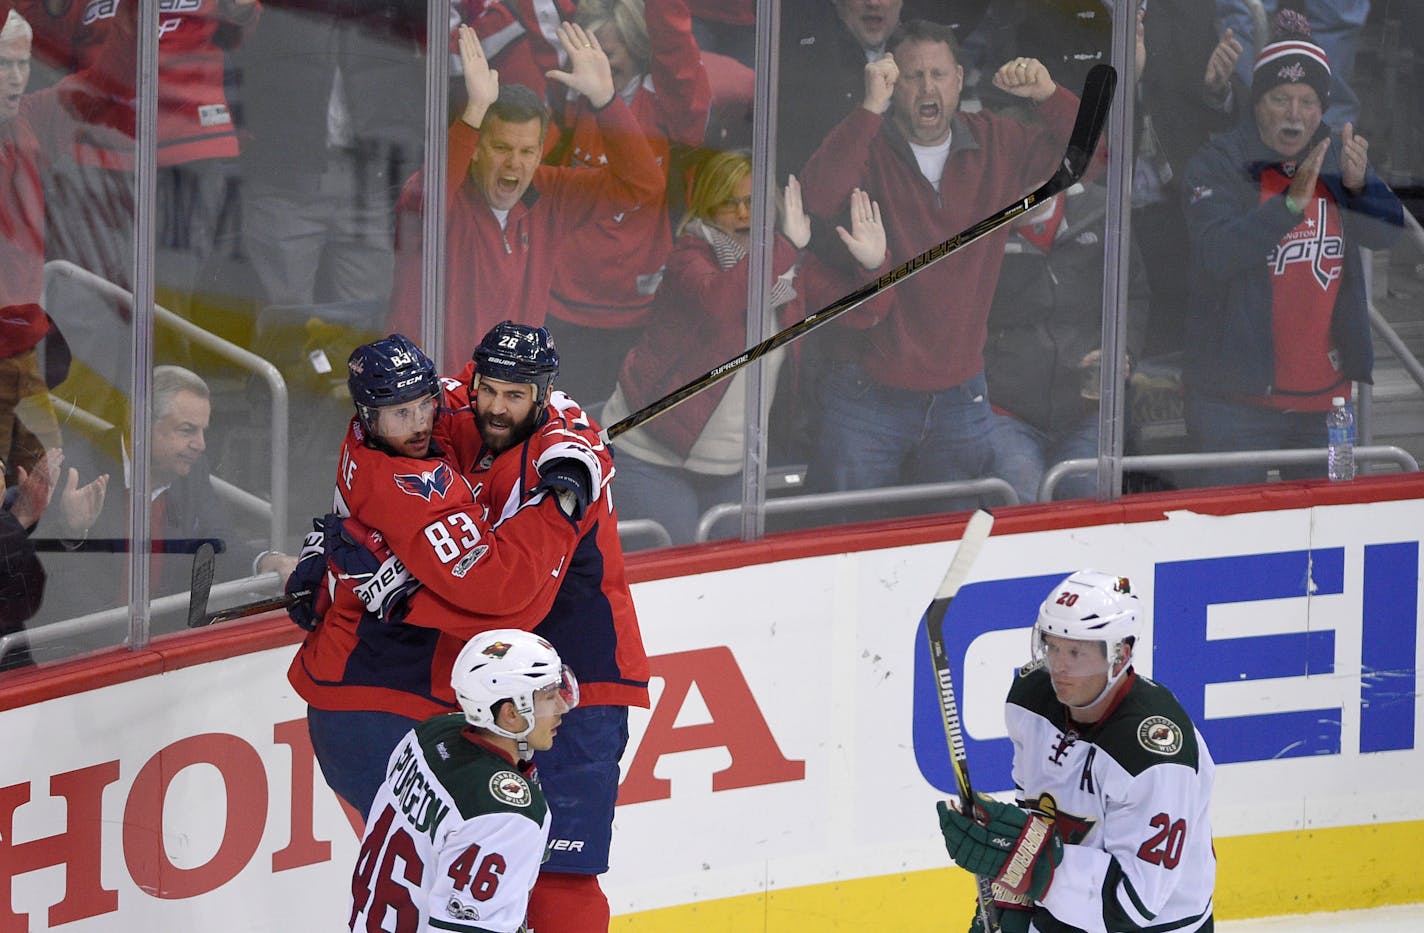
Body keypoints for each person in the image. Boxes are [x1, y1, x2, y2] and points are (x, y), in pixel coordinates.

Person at [284, 333, 595, 821]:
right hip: (375, 701)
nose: (419, 424)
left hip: (368, 692)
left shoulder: (382, 434)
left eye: (424, 406)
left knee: (418, 865)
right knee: (425, 870)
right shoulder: (406, 486)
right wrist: (563, 502)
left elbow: (480, 389)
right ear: (368, 415)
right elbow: (508, 593)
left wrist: (568, 426)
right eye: (399, 414)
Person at [797, 19, 1086, 500]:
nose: (927, 88)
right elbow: (816, 198)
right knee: (842, 547)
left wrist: (1048, 94)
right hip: (868, 394)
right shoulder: (868, 140)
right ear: (891, 81)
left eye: (938, 74)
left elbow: (1092, 155)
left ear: (959, 80)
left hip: (961, 396)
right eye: (912, 76)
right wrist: (869, 108)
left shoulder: (998, 140)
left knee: (949, 551)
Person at [604, 151, 888, 544]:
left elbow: (863, 313)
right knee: (681, 574)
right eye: (728, 202)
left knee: (727, 581)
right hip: (652, 457)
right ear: (706, 206)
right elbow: (723, 300)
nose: (742, 214)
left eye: (752, 202)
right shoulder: (691, 256)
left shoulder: (789, 270)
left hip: (732, 470)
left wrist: (874, 266)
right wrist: (785, 245)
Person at [1180, 9, 1403, 487]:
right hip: (1234, 405)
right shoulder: (1217, 163)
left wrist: (1362, 187)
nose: (1295, 114)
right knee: (1230, 549)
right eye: (1281, 98)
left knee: (1323, 548)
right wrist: (1288, 207)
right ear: (1257, 100)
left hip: (1325, 404)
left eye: (1307, 101)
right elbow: (1214, 254)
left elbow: (1388, 235)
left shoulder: (1335, 155)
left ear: (1322, 108)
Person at [937, 570, 1216, 933]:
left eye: (1076, 652)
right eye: (1052, 647)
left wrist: (1030, 864)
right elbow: (1037, 811)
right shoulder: (1030, 700)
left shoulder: (1155, 756)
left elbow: (1134, 905)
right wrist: (1013, 889)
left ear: (1120, 655)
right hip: (1067, 909)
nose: (1060, 667)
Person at [388, 22, 661, 375]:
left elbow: (642, 186)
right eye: (501, 147)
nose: (515, 163)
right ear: (474, 148)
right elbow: (421, 202)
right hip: (431, 398)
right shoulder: (447, 194)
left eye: (527, 151)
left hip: (507, 399)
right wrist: (474, 111)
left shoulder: (549, 193)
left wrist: (606, 103)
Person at [349, 629, 578, 933]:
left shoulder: (429, 735)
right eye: (549, 698)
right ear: (510, 714)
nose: (561, 708)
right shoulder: (503, 812)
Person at [542, 0, 712, 404]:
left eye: (611, 60)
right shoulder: (571, 93)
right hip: (560, 302)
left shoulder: (670, 104)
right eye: (591, 56)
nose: (598, 71)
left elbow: (676, 49)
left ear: (638, 47)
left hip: (635, 308)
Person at [35, 365, 287, 634]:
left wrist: (264, 562)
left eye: (203, 431)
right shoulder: (75, 472)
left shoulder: (192, 471)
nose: (200, 444)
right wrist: (71, 530)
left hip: (163, 643)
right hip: (84, 649)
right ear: (141, 424)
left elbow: (218, 541)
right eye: (187, 430)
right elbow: (60, 588)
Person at [984, 182, 1148, 504]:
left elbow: (1133, 294)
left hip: (1087, 408)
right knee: (1022, 504)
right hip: (1004, 410)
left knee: (1089, 505)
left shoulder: (1103, 209)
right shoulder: (975, 222)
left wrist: (1122, 348)